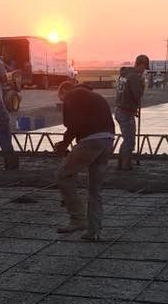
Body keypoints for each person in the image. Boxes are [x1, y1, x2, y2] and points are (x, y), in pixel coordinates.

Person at [53, 81, 115, 241]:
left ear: (64, 90)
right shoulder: (96, 96)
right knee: (95, 189)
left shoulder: (72, 95)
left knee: (63, 175)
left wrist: (64, 144)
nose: (62, 102)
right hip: (108, 141)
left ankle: (77, 219)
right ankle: (94, 231)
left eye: (61, 98)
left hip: (91, 141)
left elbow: (73, 124)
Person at [114, 54, 149, 170]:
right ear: (141, 64)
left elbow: (125, 94)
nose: (144, 70)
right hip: (125, 112)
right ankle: (125, 165)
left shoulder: (123, 75)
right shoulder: (134, 77)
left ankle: (122, 163)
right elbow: (137, 95)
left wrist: (134, 110)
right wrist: (142, 85)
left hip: (121, 110)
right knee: (129, 140)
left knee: (127, 139)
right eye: (144, 67)